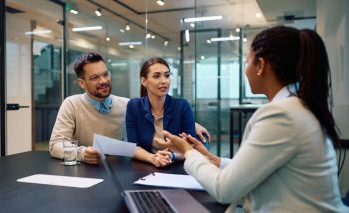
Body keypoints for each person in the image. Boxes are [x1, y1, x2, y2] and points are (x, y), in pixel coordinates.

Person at [155, 26, 349, 212]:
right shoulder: (296, 108)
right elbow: (258, 166)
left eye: (247, 62)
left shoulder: (281, 116)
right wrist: (210, 159)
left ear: (261, 65)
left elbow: (223, 190)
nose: (245, 69)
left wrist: (188, 151)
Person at [49, 52, 210, 165]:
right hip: (87, 170)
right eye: (95, 77)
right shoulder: (71, 104)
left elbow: (154, 110)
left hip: (121, 169)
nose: (104, 80)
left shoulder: (126, 105)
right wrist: (82, 153)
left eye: (105, 74)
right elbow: (56, 144)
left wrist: (192, 123)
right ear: (82, 83)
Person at [126, 57, 207, 167]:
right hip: (146, 166)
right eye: (156, 76)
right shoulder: (133, 106)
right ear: (144, 81)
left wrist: (171, 156)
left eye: (167, 75)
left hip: (179, 167)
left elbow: (191, 147)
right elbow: (133, 147)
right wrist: (153, 158)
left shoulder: (182, 106)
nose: (164, 81)